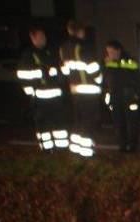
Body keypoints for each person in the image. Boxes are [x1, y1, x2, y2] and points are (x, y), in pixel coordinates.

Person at [17, 27, 68, 151]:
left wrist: (57, 73)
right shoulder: (28, 55)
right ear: (33, 38)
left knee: (59, 124)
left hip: (56, 97)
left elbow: (59, 70)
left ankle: (61, 148)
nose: (43, 39)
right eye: (40, 36)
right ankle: (46, 149)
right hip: (40, 98)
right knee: (43, 126)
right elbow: (24, 75)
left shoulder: (49, 52)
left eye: (44, 36)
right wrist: (43, 74)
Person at [60, 20, 101, 157]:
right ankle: (87, 151)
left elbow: (65, 71)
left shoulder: (64, 48)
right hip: (88, 89)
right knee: (89, 121)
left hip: (74, 89)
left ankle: (76, 149)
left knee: (78, 120)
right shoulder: (83, 46)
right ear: (81, 31)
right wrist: (100, 81)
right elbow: (93, 68)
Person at [102, 40, 140, 153]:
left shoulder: (129, 60)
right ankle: (122, 145)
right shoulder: (106, 63)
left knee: (131, 122)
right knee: (118, 121)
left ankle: (132, 145)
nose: (110, 54)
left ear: (119, 50)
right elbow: (104, 79)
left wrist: (137, 93)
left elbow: (136, 74)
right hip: (115, 95)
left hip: (129, 95)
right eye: (108, 52)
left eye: (112, 51)